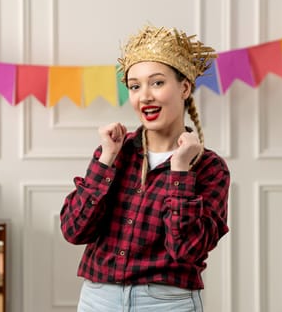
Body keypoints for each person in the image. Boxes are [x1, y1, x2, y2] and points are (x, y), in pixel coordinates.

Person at [60, 25, 230, 312]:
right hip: (98, 299)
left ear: (185, 87)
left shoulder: (209, 168)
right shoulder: (114, 152)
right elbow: (74, 231)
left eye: (157, 83)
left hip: (167, 303)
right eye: (135, 86)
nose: (145, 96)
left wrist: (180, 172)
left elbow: (186, 250)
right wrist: (105, 162)